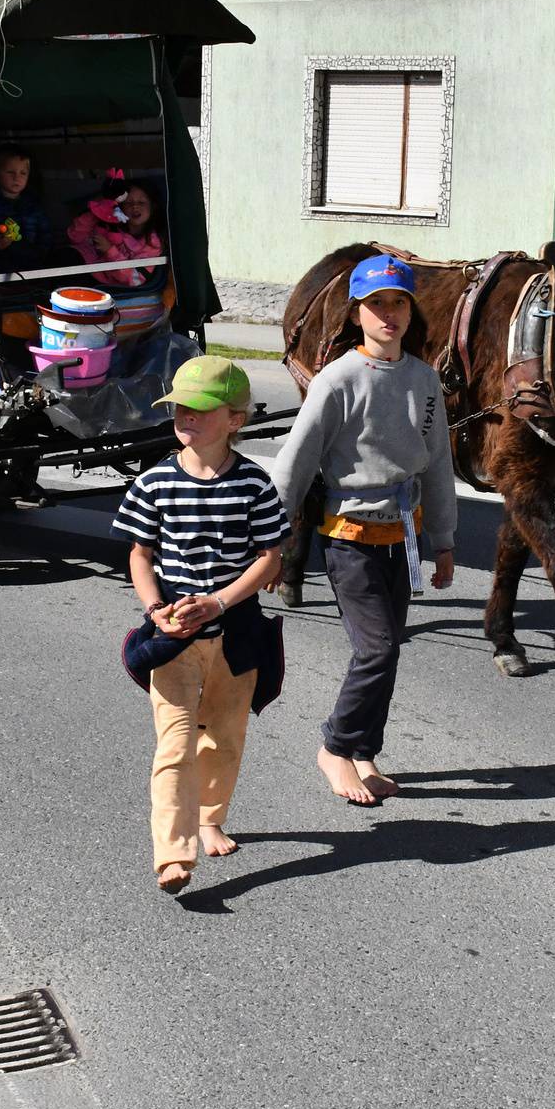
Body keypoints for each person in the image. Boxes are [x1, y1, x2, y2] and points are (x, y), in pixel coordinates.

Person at [269, 254, 455, 806]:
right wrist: (276, 543)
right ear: (356, 314)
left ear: (411, 309)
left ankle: (364, 752)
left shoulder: (424, 380)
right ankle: (336, 746)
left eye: (398, 302)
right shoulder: (338, 379)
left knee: (389, 648)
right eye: (376, 304)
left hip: (402, 537)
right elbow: (295, 465)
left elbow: (439, 464)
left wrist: (442, 541)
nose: (388, 314)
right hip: (348, 535)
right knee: (375, 649)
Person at [113, 356, 288, 894]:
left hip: (235, 638)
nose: (186, 417)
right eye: (179, 408)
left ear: (235, 419)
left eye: (202, 409)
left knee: (226, 739)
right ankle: (172, 853)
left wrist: (220, 602)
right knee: (174, 746)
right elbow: (140, 555)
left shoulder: (254, 484)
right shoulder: (154, 482)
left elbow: (269, 559)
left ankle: (210, 817)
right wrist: (154, 610)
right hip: (173, 639)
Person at [68, 173, 164, 288]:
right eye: (128, 202)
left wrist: (109, 251)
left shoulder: (152, 243)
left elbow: (135, 279)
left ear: (153, 207)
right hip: (85, 271)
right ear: (120, 206)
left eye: (141, 203)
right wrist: (99, 211)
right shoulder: (107, 225)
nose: (134, 207)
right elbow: (74, 237)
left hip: (106, 287)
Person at [0, 145, 54, 272]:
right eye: (10, 172)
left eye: (23, 173)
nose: (17, 178)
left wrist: (40, 255)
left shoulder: (34, 205)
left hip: (32, 266)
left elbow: (45, 235)